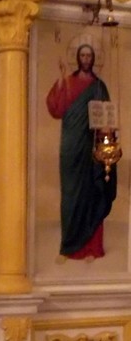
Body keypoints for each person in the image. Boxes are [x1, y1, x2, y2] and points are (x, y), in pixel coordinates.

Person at [46, 43, 116, 260]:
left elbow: (107, 116)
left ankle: (92, 248)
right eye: (83, 55)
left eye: (89, 55)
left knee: (92, 193)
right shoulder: (67, 82)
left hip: (91, 146)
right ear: (77, 58)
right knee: (70, 196)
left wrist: (107, 133)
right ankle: (68, 247)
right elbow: (56, 109)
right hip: (70, 146)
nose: (86, 59)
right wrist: (60, 80)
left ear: (93, 59)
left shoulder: (99, 86)